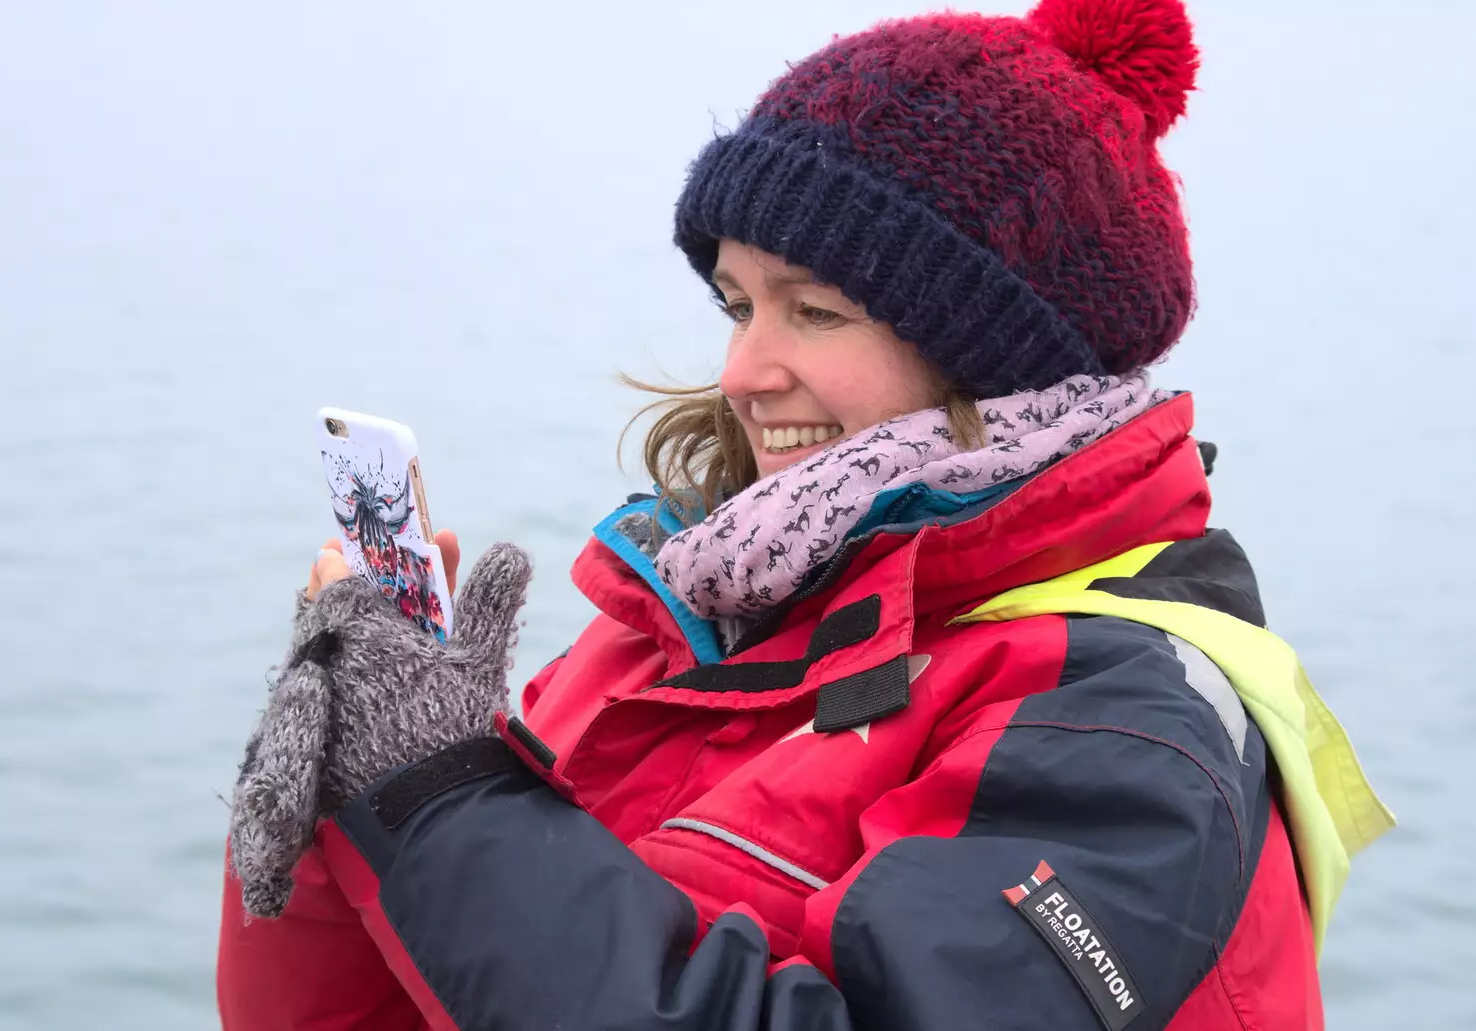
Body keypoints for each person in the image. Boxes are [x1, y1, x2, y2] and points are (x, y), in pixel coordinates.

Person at [217, 0, 1393, 1027]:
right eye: (737, 303)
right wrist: (341, 804)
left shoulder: (1125, 730)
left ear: (995, 353)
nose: (742, 368)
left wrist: (437, 799)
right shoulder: (677, 624)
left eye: (813, 311)